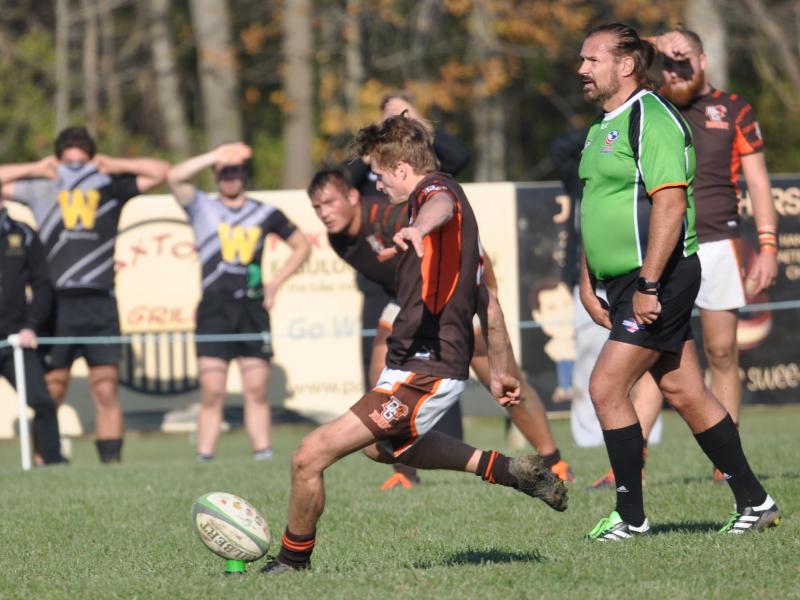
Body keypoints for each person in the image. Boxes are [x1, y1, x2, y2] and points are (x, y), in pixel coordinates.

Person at [261, 116, 567, 574]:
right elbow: (493, 305)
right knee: (381, 448)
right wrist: (501, 369)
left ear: (403, 168)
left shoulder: (435, 193)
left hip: (427, 367)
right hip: (411, 362)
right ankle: (506, 470)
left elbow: (437, 204)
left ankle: (292, 561)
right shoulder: (458, 231)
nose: (377, 185)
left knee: (308, 456)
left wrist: (419, 229)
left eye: (379, 176)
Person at [577, 23, 778, 539]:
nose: (582, 69)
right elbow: (595, 205)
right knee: (686, 389)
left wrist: (647, 285)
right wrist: (587, 278)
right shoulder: (602, 125)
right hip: (623, 281)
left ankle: (631, 515)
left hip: (660, 278)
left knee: (605, 386)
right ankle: (755, 502)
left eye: (591, 59)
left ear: (625, 65)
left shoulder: (652, 117)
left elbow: (669, 204)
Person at [307, 169, 574, 487]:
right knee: (379, 367)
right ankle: (405, 473)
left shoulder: (389, 214)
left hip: (451, 297)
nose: (324, 213)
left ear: (352, 197)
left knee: (503, 382)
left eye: (329, 202)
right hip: (412, 305)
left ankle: (553, 461)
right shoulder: (339, 240)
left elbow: (469, 246)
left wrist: (487, 296)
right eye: (317, 207)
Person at [0, 126, 169, 463]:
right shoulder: (40, 186)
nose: (75, 169)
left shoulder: (110, 186)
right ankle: (43, 457)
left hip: (100, 301)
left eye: (82, 162)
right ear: (57, 160)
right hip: (57, 303)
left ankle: (111, 464)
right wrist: (35, 168)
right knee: (52, 388)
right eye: (68, 163)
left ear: (93, 160)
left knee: (105, 388)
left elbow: (161, 171)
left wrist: (112, 163)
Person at [167, 142, 310, 461]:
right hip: (214, 308)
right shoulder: (202, 206)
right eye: (223, 173)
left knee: (257, 388)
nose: (230, 178)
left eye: (235, 172)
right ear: (215, 176)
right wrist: (214, 155)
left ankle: (263, 452)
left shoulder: (265, 212)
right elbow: (174, 176)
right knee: (212, 389)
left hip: (251, 308)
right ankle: (205, 456)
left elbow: (301, 246)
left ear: (245, 175)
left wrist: (275, 284)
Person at [344, 91, 472, 394]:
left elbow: (441, 196)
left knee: (434, 366)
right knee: (379, 366)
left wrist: (418, 124)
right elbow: (343, 181)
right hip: (383, 279)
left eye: (402, 115)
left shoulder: (429, 177)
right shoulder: (375, 169)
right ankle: (381, 430)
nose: (378, 183)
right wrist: (377, 148)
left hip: (427, 279)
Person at [0, 203, 66, 465]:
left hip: (16, 339)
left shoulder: (23, 233)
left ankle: (53, 464)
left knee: (43, 403)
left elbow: (42, 285)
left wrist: (31, 325)